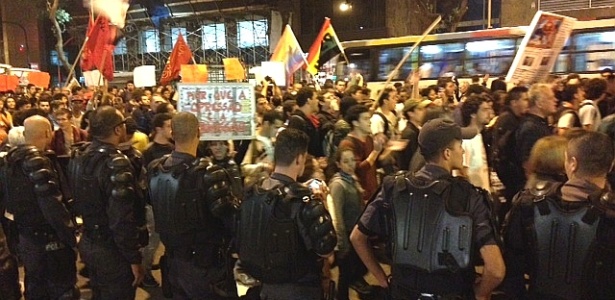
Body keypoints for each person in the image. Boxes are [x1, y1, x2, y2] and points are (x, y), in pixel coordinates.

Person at [350, 118, 505, 300]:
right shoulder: (469, 196)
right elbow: (496, 270)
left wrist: (381, 278)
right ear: (447, 153)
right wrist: (479, 293)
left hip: (402, 293)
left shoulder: (394, 187)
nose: (462, 151)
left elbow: (357, 237)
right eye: (460, 146)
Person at [500, 131, 615, 299]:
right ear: (611, 165)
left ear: (572, 163)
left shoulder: (527, 204)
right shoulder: (610, 213)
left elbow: (510, 272)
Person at [148, 112, 242, 298]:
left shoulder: (155, 169)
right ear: (199, 132)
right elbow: (233, 223)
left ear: (172, 134)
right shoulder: (209, 174)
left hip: (173, 264)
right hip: (206, 269)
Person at [237, 128, 337, 300]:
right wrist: (323, 203)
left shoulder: (252, 192)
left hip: (264, 287)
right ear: (299, 158)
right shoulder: (303, 199)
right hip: (300, 289)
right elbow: (327, 250)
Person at [68, 106, 145, 299]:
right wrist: (133, 257)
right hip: (112, 249)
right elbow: (121, 219)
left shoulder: (79, 155)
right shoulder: (115, 163)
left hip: (89, 240)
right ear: (118, 129)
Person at [0, 115, 78, 299]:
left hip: (25, 237)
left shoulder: (8, 162)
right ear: (47, 132)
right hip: (48, 239)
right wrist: (70, 236)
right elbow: (52, 205)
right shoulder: (38, 162)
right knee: (62, 288)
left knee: (35, 285)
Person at [327, 146, 370, 300]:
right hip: (348, 238)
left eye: (352, 160)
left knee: (348, 275)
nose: (351, 164)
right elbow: (337, 216)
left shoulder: (351, 179)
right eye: (346, 161)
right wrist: (342, 244)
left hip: (355, 236)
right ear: (338, 164)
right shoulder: (338, 185)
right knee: (346, 276)